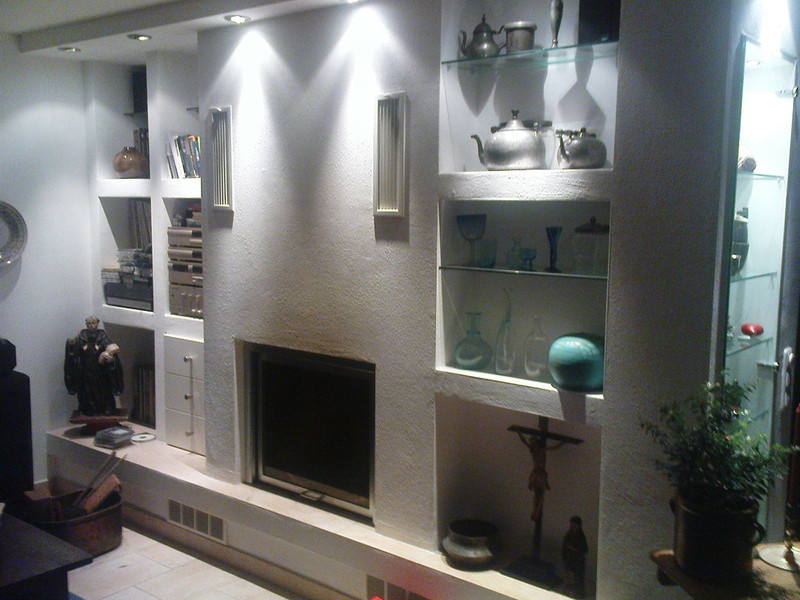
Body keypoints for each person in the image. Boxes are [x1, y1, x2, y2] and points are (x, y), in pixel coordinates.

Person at [64, 316, 123, 415]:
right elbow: (74, 353)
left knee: (103, 390)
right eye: (89, 324)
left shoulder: (103, 337)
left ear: (97, 324)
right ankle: (87, 409)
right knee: (86, 391)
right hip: (85, 370)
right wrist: (71, 345)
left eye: (93, 323)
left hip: (100, 370)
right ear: (86, 325)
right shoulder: (81, 338)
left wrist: (111, 359)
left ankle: (106, 408)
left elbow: (113, 353)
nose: (91, 326)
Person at [562, 515, 589, 598]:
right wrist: (564, 555)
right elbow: (565, 545)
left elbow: (584, 549)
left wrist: (573, 548)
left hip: (578, 562)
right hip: (569, 560)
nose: (573, 527)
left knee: (578, 579)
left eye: (575, 525)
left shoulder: (581, 536)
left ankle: (578, 594)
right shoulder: (569, 533)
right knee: (569, 578)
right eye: (571, 525)